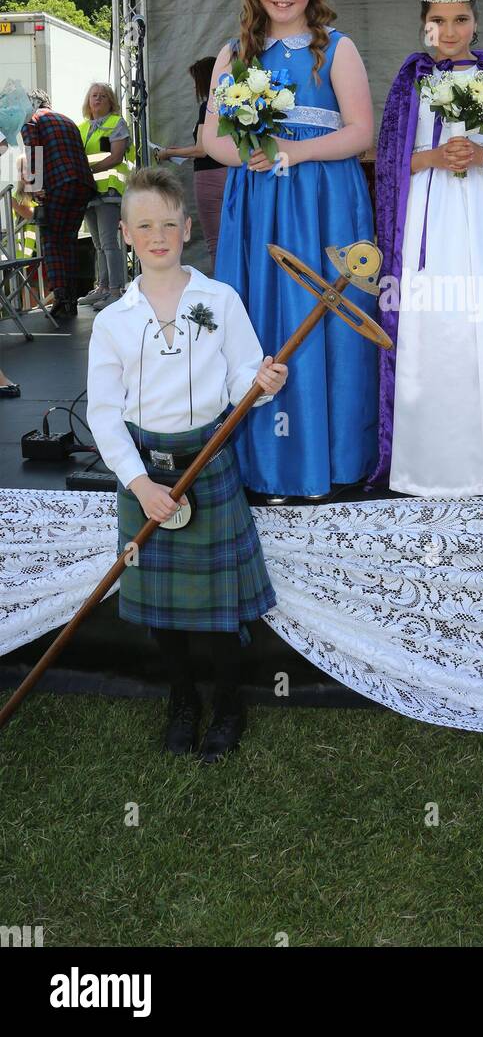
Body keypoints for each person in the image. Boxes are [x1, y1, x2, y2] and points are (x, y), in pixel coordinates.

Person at [86, 167, 288, 761]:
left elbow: (248, 377)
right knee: (164, 612)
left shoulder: (219, 300)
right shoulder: (111, 321)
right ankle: (182, 700)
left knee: (218, 610)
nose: (157, 235)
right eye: (144, 225)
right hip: (148, 473)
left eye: (168, 224)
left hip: (210, 464)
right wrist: (140, 483)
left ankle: (229, 703)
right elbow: (103, 415)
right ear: (124, 233)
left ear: (188, 229)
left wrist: (266, 381)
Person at [202, 0, 377, 499]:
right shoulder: (234, 53)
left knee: (327, 313)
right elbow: (212, 137)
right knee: (260, 313)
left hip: (323, 199)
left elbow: (360, 133)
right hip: (258, 202)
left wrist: (292, 151)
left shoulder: (337, 47)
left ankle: (335, 457)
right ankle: (264, 463)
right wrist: (248, 156)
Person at [371, 0, 483, 496]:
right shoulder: (411, 80)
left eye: (461, 19)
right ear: (423, 26)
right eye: (438, 20)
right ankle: (429, 464)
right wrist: (436, 157)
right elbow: (389, 159)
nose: (450, 30)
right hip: (428, 213)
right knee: (434, 327)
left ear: (475, 22)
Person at [18, 89, 96, 319]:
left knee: (52, 238)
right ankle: (71, 297)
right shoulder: (67, 120)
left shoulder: (31, 118)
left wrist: (35, 185)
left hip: (58, 183)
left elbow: (34, 151)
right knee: (68, 240)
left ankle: (61, 297)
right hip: (82, 184)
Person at [155, 57, 227, 269]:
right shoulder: (231, 106)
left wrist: (168, 153)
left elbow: (202, 149)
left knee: (215, 241)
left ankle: (223, 293)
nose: (195, 86)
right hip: (229, 173)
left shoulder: (209, 106)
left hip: (209, 177)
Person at [78, 82, 135, 311]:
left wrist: (87, 171)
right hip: (89, 193)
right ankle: (102, 287)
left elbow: (116, 157)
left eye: (103, 96)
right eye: (94, 95)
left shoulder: (116, 123)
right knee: (98, 244)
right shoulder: (81, 127)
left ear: (111, 101)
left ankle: (115, 290)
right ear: (88, 101)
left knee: (109, 243)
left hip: (109, 192)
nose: (98, 99)